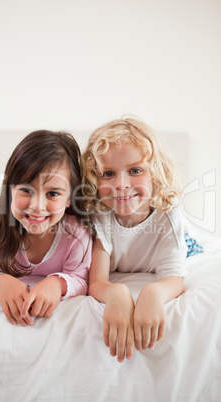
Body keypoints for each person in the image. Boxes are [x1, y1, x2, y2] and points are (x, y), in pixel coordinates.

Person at [81, 116, 188, 363]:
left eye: (135, 170)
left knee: (189, 245)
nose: (121, 185)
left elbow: (174, 277)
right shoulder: (100, 215)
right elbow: (96, 282)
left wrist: (154, 292)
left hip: (176, 234)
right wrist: (116, 293)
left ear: (156, 173)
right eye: (108, 173)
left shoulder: (167, 214)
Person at [0, 130, 92, 327]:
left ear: (70, 198)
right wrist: (1, 282)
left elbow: (80, 278)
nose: (37, 205)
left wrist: (57, 284)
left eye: (52, 193)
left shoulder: (76, 233)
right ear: (10, 189)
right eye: (26, 190)